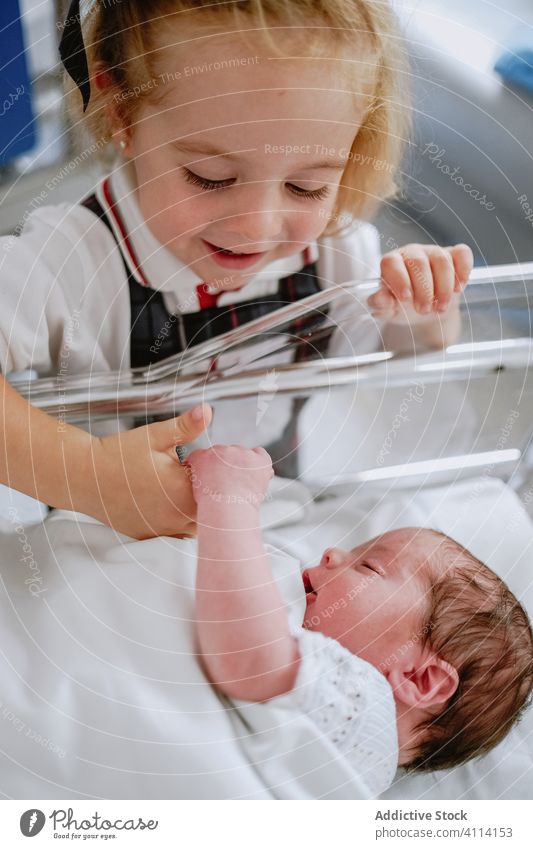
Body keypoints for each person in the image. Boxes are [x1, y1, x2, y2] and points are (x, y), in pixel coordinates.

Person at [0, 0, 473, 537]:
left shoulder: (338, 252)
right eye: (211, 176)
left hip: (273, 530)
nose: (258, 227)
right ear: (122, 115)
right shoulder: (72, 258)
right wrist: (85, 475)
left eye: (306, 186)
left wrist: (424, 305)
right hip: (102, 552)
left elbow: (421, 349)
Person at [188, 444, 533, 794]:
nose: (332, 552)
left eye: (368, 565)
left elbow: (251, 660)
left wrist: (231, 498)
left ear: (420, 677)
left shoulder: (365, 710)